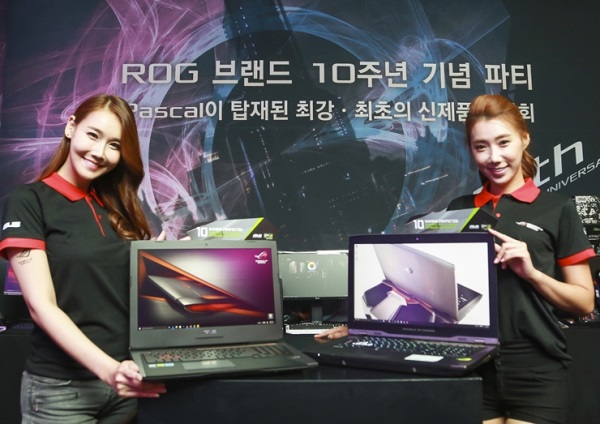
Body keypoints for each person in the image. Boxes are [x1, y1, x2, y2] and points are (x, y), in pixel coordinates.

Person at [316, 93, 595, 424]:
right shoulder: (459, 210)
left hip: (537, 369)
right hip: (470, 365)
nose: (494, 157)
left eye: (503, 142)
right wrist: (364, 327)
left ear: (524, 139)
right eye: (481, 147)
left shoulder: (557, 209)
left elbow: (584, 302)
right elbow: (422, 288)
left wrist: (532, 273)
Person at [0, 94, 167, 423]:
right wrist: (110, 371)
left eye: (114, 145)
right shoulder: (29, 200)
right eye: (93, 135)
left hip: (128, 385)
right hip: (61, 392)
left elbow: (117, 293)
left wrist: (162, 261)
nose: (100, 152)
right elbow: (41, 306)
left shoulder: (118, 208)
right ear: (71, 127)